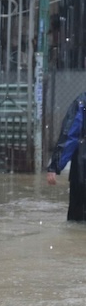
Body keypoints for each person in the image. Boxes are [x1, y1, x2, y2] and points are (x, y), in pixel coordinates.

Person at [46, 91, 86, 221]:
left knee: (78, 219)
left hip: (82, 167)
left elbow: (70, 135)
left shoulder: (81, 102)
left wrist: (55, 166)